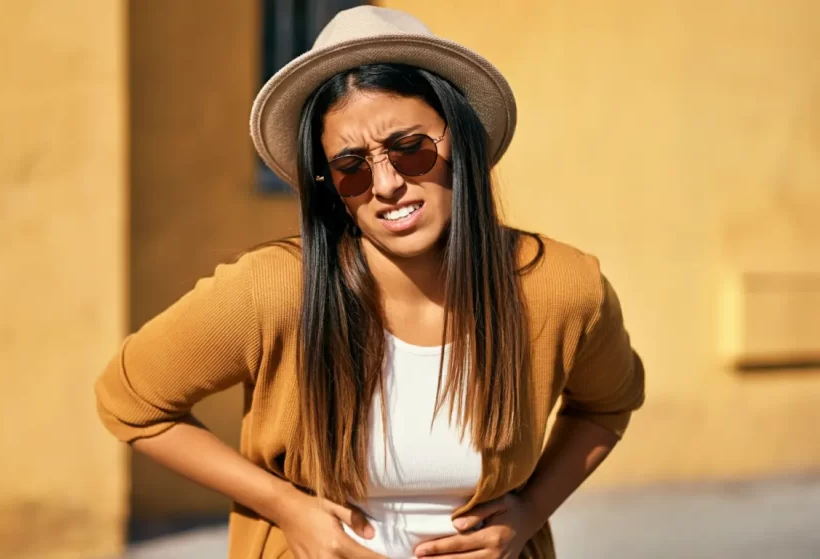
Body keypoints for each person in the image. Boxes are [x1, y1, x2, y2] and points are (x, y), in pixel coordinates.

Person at [95, 6, 645, 559]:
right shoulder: (273, 290)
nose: (386, 184)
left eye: (411, 149)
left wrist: (530, 512)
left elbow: (606, 404)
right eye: (352, 165)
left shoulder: (559, 288)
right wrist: (284, 505)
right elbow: (130, 401)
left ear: (462, 142)